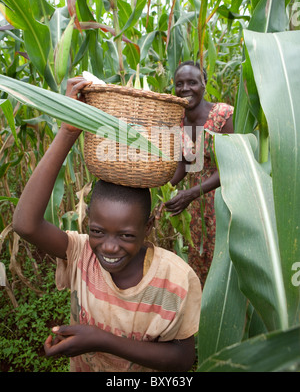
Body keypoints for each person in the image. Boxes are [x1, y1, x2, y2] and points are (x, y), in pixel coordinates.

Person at [12, 77, 202, 373]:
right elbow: (25, 225)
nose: (109, 247)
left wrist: (100, 340)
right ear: (86, 220)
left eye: (126, 235)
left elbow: (181, 360)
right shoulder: (81, 253)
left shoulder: (176, 279)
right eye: (97, 231)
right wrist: (68, 130)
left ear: (149, 226)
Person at [165, 61, 234, 287]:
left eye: (192, 82)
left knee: (225, 267)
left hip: (227, 206)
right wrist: (160, 186)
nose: (185, 88)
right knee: (201, 263)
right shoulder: (179, 120)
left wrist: (191, 194)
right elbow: (185, 164)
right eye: (179, 84)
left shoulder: (222, 115)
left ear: (204, 84)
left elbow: (234, 167)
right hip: (196, 209)